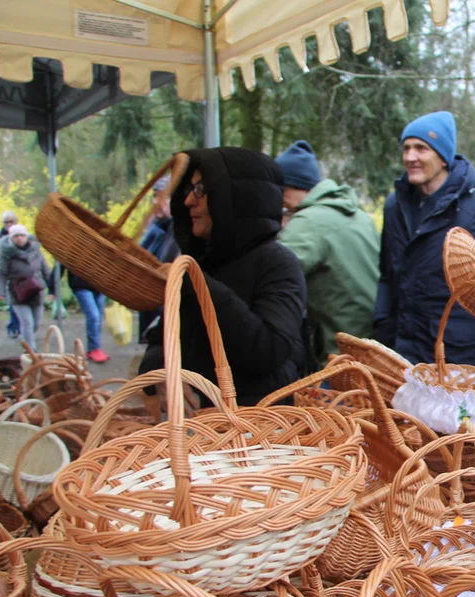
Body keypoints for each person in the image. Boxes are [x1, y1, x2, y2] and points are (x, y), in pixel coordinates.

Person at [139, 147, 308, 406]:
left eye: (201, 190)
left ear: (234, 198)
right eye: (188, 190)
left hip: (258, 432)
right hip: (198, 431)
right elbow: (162, 336)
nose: (188, 201)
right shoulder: (203, 260)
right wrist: (161, 371)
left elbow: (268, 351)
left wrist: (199, 285)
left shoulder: (278, 263)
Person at [373, 111, 475, 365]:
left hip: (457, 358)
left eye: (421, 148)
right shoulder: (395, 205)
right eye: (406, 148)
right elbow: (388, 275)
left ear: (443, 157)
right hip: (402, 352)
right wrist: (382, 327)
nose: (410, 157)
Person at [276, 140, 381, 367]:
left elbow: (272, 275)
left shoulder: (308, 222)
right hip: (376, 349)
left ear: (289, 186)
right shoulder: (358, 215)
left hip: (339, 357)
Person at [0, 224, 54, 349]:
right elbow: (0, 273)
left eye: (22, 235)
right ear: (11, 238)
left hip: (36, 291)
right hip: (17, 293)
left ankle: (26, 339)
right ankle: (31, 351)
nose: (19, 238)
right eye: (16, 236)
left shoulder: (35, 249)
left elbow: (45, 269)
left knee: (35, 323)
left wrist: (52, 288)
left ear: (26, 236)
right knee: (27, 322)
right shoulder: (6, 253)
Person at [138, 176, 179, 339]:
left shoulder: (179, 231)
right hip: (151, 309)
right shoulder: (154, 229)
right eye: (155, 196)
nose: (156, 201)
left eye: (163, 197)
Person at [65, 270, 109, 363]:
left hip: (99, 286)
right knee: (94, 316)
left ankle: (94, 348)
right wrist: (51, 287)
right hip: (81, 285)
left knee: (98, 319)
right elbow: (62, 260)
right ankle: (94, 348)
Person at [0, 211, 21, 339]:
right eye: (6, 222)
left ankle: (15, 326)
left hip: (21, 274)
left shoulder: (21, 235)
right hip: (6, 275)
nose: (8, 224)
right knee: (13, 302)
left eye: (11, 221)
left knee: (22, 301)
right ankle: (15, 328)